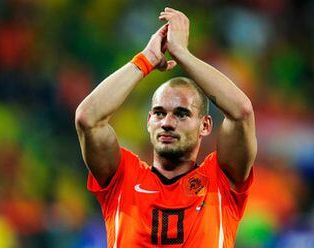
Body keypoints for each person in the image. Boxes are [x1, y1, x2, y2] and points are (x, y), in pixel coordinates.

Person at [75, 7, 257, 247]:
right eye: (159, 113)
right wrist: (146, 59)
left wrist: (182, 54)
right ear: (149, 120)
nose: (167, 123)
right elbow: (88, 118)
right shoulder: (123, 178)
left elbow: (241, 112)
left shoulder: (221, 179)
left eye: (182, 114)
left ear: (205, 125)